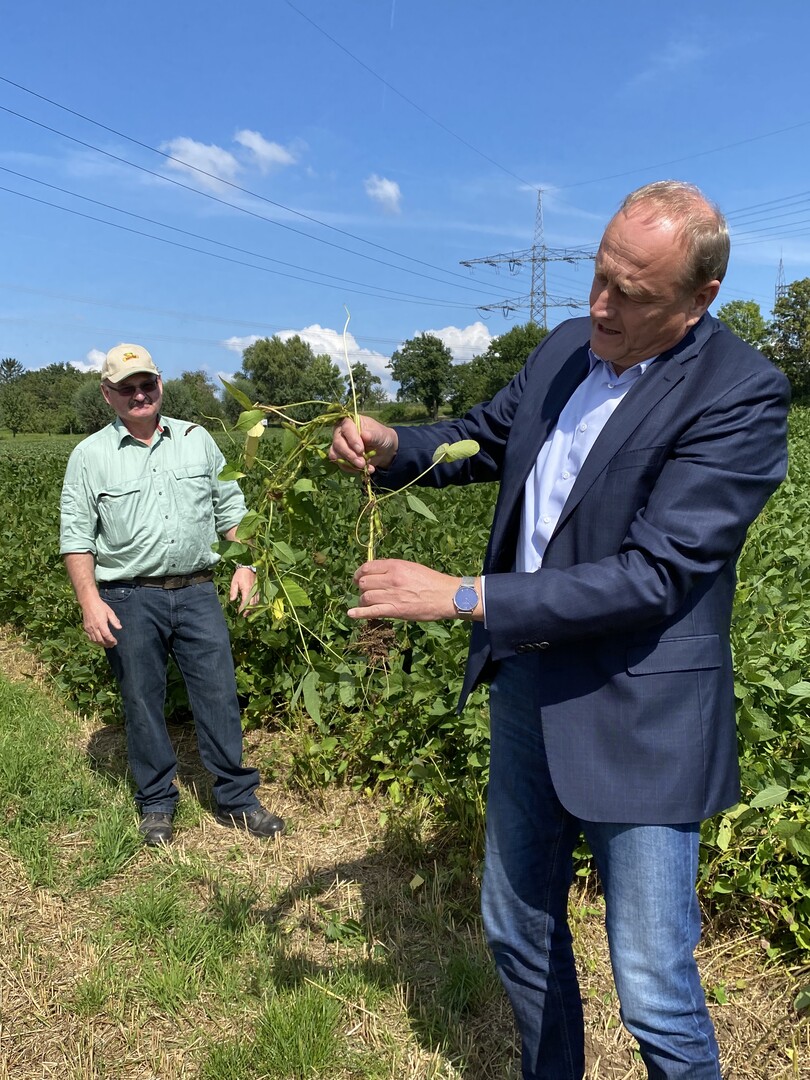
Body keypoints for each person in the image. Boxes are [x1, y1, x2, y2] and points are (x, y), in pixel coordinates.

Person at [329, 181, 790, 1079]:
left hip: (640, 713)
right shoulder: (566, 349)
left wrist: (466, 597)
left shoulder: (740, 393)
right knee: (516, 927)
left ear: (700, 299)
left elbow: (657, 575)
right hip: (528, 684)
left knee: (652, 985)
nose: (600, 305)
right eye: (599, 274)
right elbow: (484, 436)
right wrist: (396, 445)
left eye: (632, 292)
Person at [60, 343, 284, 847]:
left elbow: (232, 510)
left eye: (147, 384)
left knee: (219, 694)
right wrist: (90, 602)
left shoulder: (195, 439)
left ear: (159, 384)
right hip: (127, 597)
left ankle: (236, 799)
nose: (139, 394)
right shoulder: (90, 456)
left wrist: (246, 564)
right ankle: (157, 802)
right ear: (107, 394)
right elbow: (76, 537)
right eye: (127, 388)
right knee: (142, 700)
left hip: (198, 591)